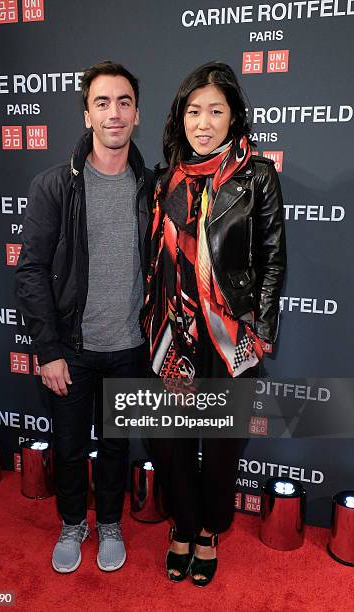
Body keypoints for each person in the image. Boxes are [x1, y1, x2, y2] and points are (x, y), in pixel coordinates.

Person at [141, 61, 286, 586]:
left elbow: (272, 257)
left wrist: (263, 328)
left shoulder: (257, 175)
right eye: (193, 111)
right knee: (172, 440)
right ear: (180, 117)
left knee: (223, 444)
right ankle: (182, 525)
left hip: (229, 336)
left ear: (233, 118)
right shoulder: (164, 180)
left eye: (215, 111)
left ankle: (209, 531)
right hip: (172, 333)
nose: (203, 122)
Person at [16, 60, 153, 574]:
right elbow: (30, 272)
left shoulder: (153, 187)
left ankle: (111, 522)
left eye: (123, 102)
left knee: (117, 447)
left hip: (130, 348)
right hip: (71, 351)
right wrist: (47, 350)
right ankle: (73, 522)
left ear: (136, 114)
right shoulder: (54, 185)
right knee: (70, 449)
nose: (113, 113)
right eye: (102, 102)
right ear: (86, 114)